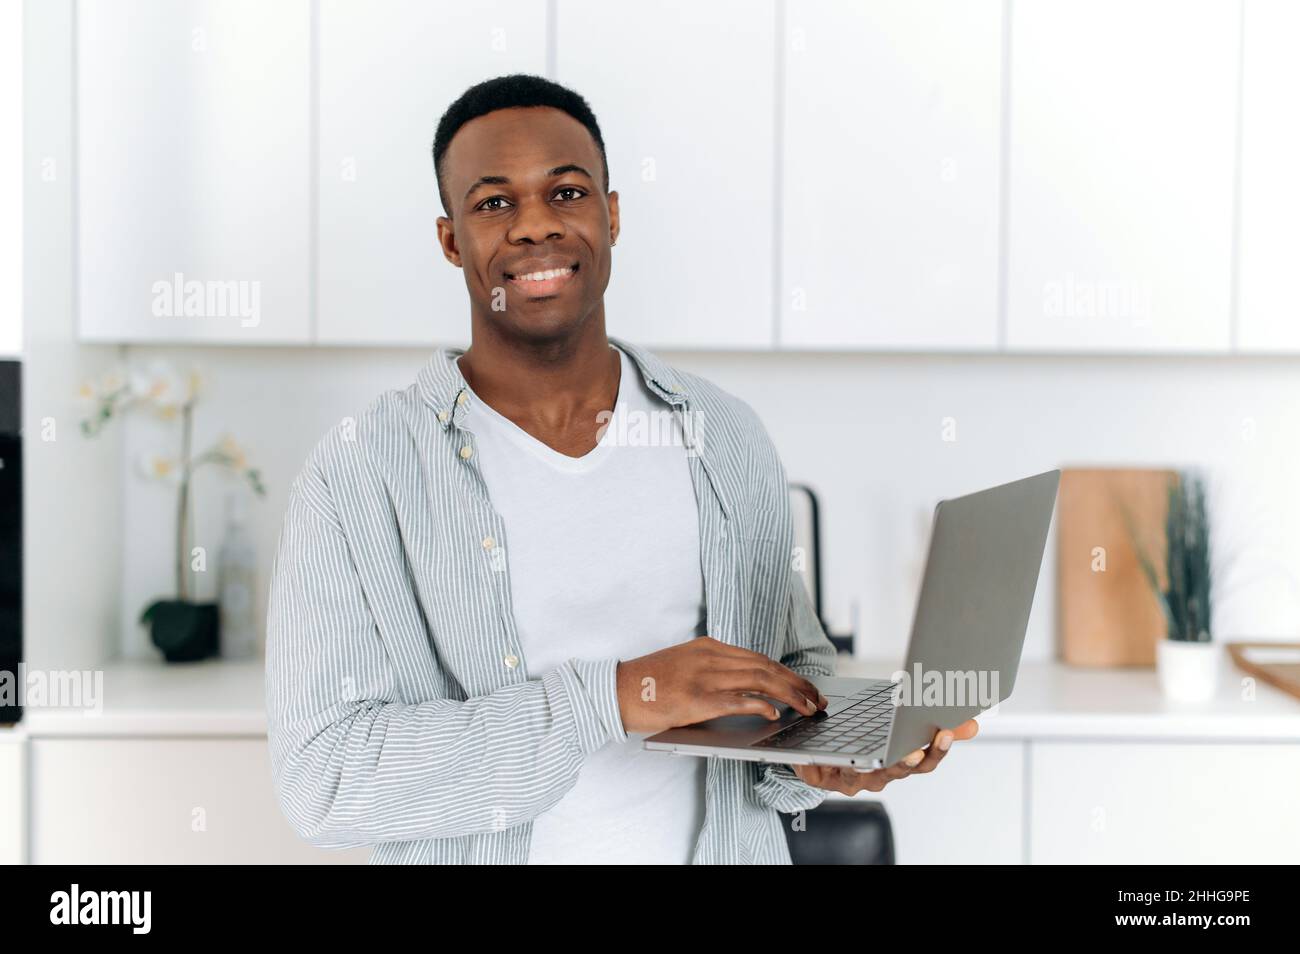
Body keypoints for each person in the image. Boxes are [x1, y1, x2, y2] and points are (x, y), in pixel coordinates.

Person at [265, 74, 977, 864]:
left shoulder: (723, 434)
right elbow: (320, 779)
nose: (534, 226)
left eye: (565, 192)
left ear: (611, 214)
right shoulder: (358, 476)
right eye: (494, 203)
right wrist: (614, 697)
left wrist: (820, 758)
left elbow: (792, 673)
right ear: (450, 240)